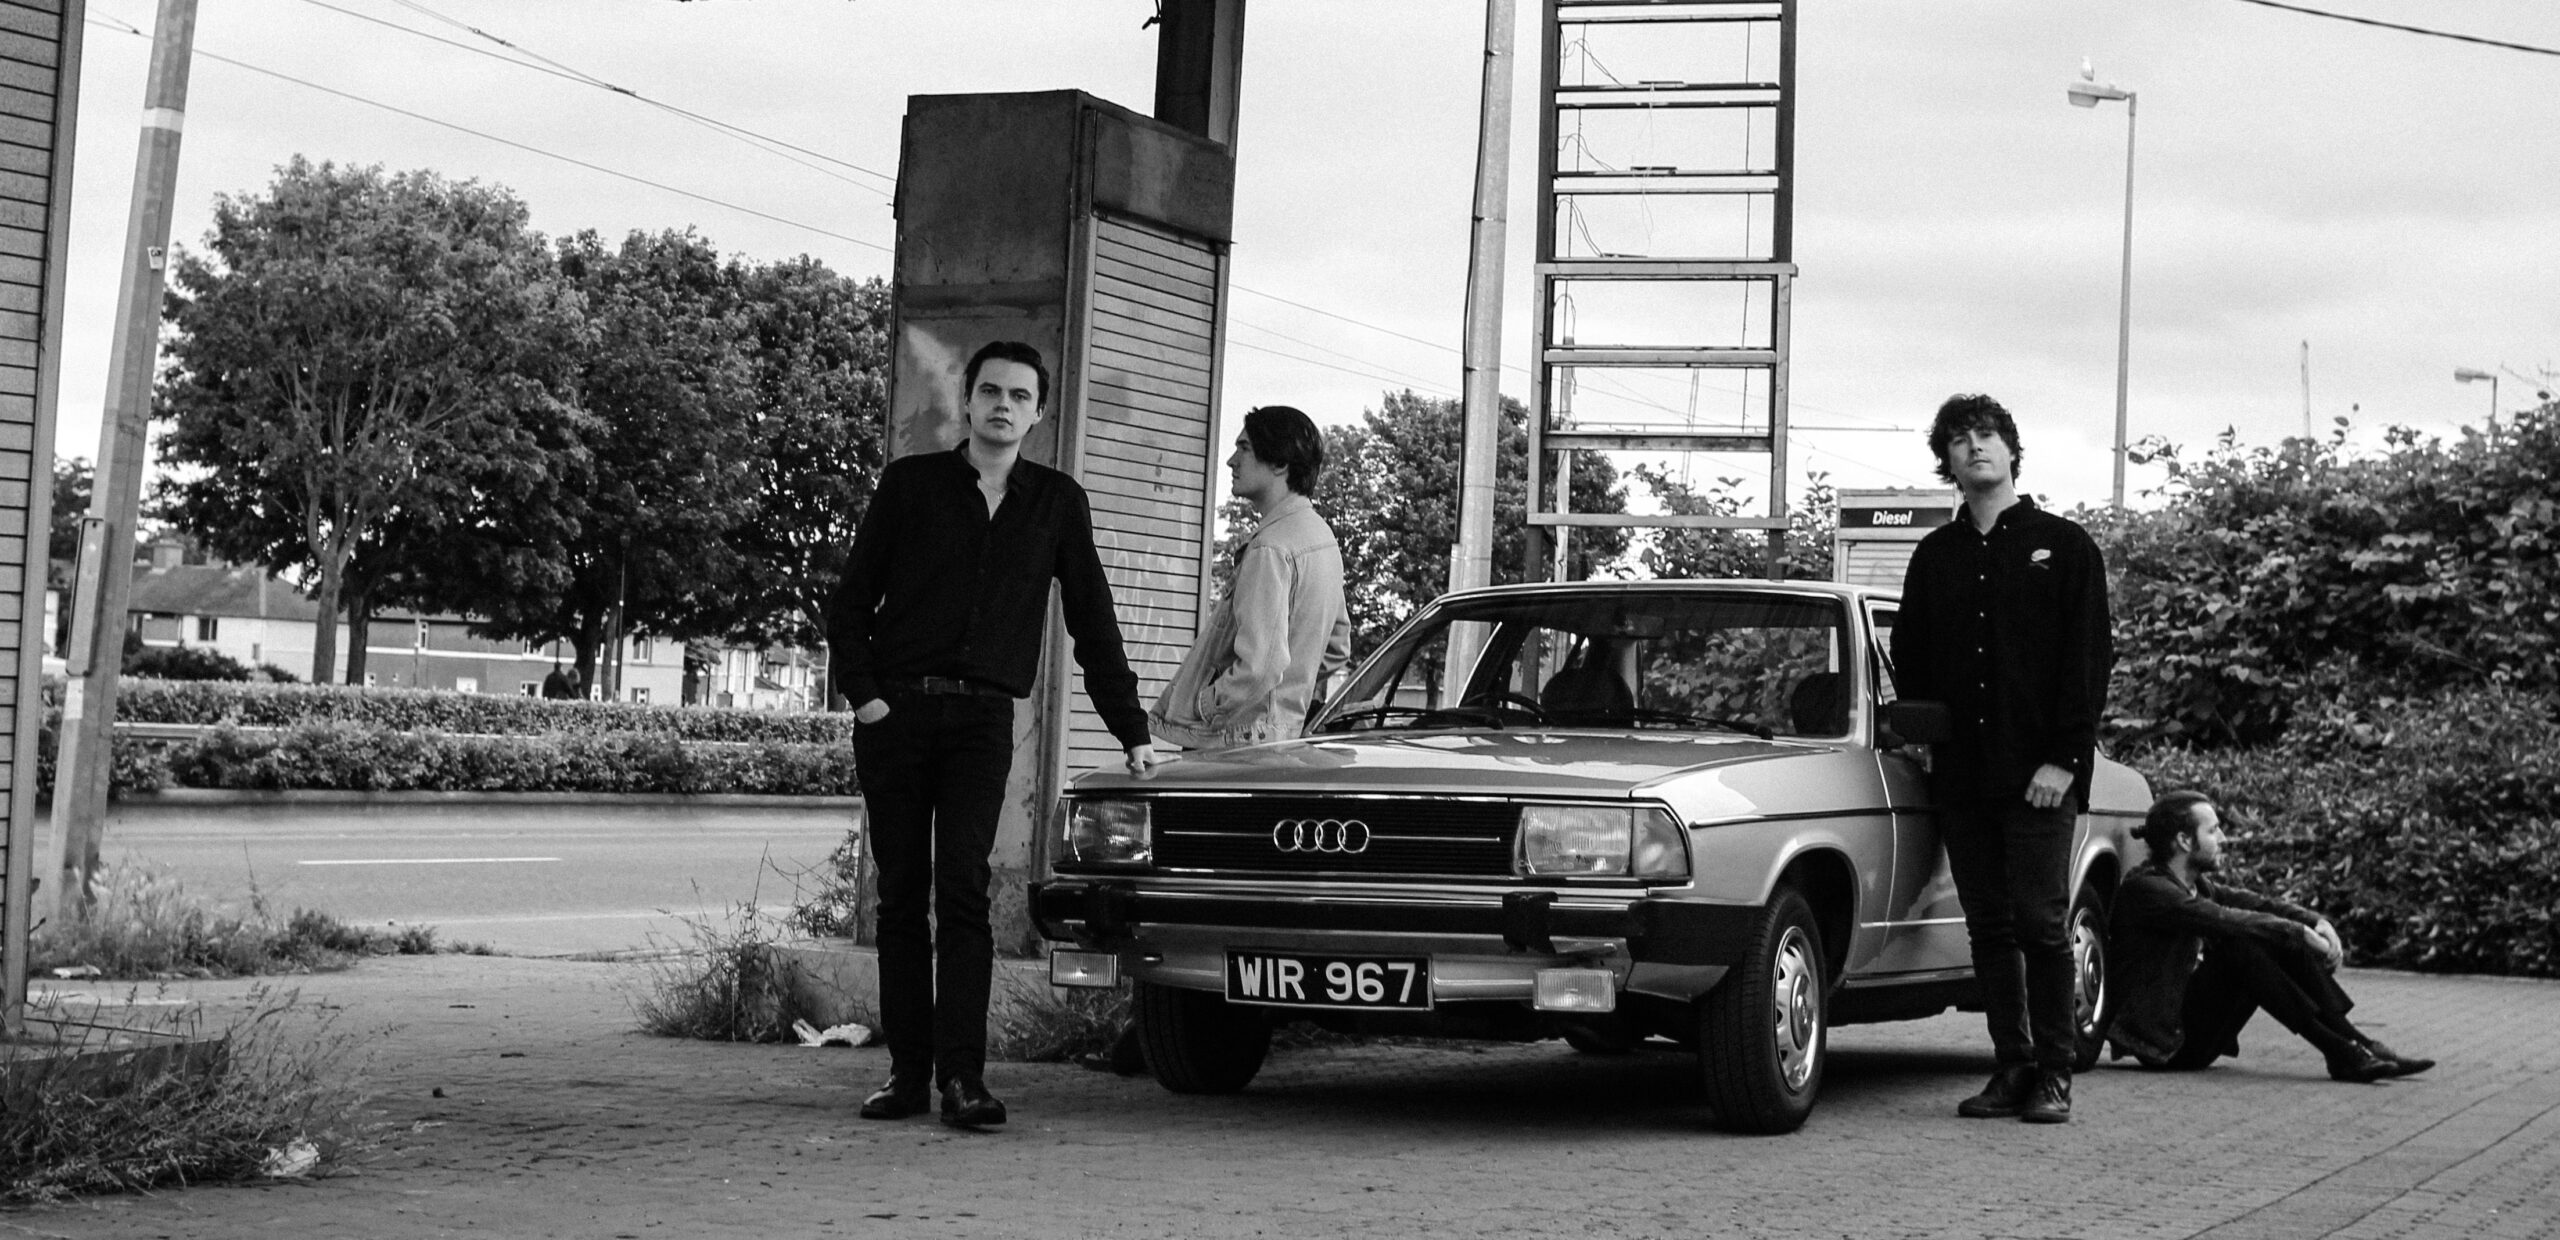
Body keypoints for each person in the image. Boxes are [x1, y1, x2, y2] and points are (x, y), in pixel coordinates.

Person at [827, 340, 1158, 1130]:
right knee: (901, 898)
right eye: (989, 392)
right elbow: (850, 603)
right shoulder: (911, 485)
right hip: (898, 718)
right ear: (967, 404)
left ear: (1038, 413)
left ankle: (962, 1080)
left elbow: (1093, 622)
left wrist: (1130, 730)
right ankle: (907, 1076)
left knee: (964, 892)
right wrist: (869, 700)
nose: (1003, 406)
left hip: (982, 721)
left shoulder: (1056, 502)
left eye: (1019, 395)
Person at [1892, 393, 2114, 1125]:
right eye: (1959, 440)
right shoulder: (1935, 555)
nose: (1974, 448)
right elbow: (1910, 657)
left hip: (2041, 777)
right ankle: (2012, 1065)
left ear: (2012, 450)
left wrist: (2063, 761)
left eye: (1987, 435)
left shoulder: (2066, 545)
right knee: (1988, 927)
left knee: (2041, 924)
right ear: (1946, 461)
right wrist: (1925, 730)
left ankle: (2056, 1072)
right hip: (1963, 775)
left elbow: (2088, 663)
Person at [2107, 791, 2433, 1082]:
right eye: (2213, 830)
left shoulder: (2199, 887)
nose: (2223, 838)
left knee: (2269, 930)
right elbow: (2225, 919)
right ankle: (2340, 1050)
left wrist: (2314, 922)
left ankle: (2356, 1044)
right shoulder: (2147, 890)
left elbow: (2259, 904)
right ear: (2184, 841)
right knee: (2244, 941)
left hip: (2196, 1035)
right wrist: (2298, 933)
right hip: (2167, 1044)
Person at [1149, 405, 1352, 752]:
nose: (1231, 460)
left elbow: (1259, 667)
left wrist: (1206, 703)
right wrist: (1288, 693)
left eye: (1244, 448)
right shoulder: (1321, 538)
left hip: (1236, 744)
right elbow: (1337, 648)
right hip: (1284, 738)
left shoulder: (1270, 547)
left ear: (1280, 463)